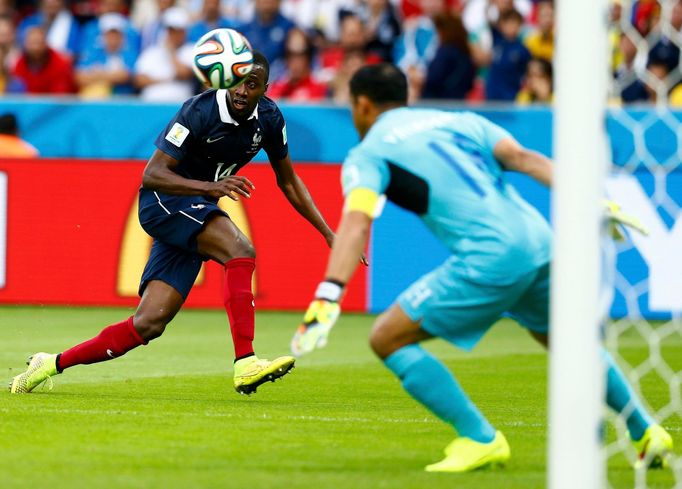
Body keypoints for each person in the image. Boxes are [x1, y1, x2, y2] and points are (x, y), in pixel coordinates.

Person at [290, 63, 674, 472]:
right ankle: (645, 430)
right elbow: (525, 158)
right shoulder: (457, 120)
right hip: (538, 240)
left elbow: (357, 221)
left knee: (388, 338)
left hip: (491, 255)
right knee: (569, 343)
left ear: (362, 105)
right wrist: (593, 199)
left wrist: (330, 292)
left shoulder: (368, 154)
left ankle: (479, 437)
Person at [9, 51, 343, 397]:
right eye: (238, 82)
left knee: (149, 323)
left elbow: (288, 181)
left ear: (266, 88)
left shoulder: (270, 118)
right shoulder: (199, 111)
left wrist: (328, 232)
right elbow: (152, 174)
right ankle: (245, 362)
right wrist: (211, 188)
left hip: (195, 210)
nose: (243, 91)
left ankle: (50, 364)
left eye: (253, 84)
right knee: (239, 249)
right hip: (163, 203)